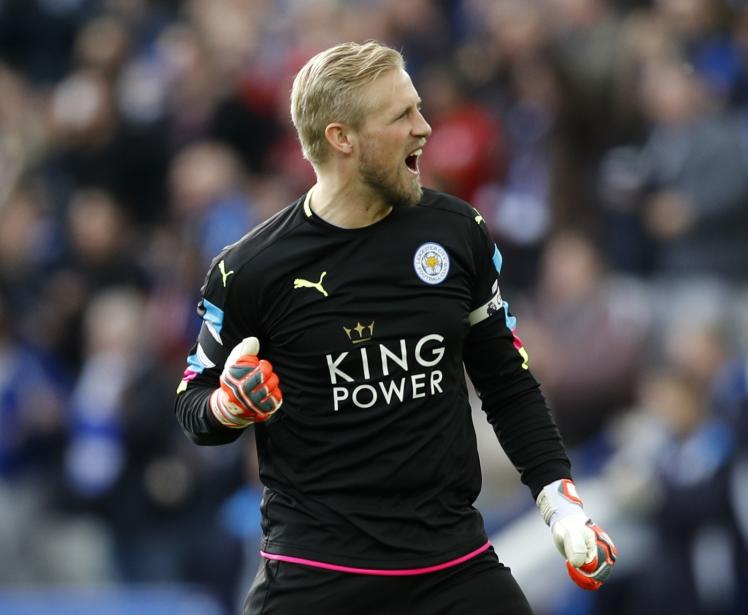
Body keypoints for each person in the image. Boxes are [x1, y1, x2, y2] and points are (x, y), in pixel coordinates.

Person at [174, 41, 616, 614]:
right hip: (319, 575)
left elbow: (507, 382)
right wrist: (228, 408)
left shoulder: (458, 232)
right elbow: (193, 406)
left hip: (452, 565)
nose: (425, 128)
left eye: (419, 107)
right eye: (401, 115)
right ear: (342, 138)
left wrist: (561, 505)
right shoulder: (251, 270)